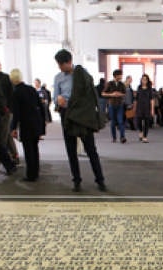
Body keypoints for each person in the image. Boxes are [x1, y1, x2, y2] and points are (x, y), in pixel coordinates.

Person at [53, 49, 107, 192]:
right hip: (67, 115)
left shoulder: (82, 74)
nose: (60, 67)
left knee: (91, 150)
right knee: (71, 151)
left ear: (69, 62)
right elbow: (55, 97)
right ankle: (76, 180)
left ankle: (100, 180)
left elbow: (89, 96)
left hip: (83, 116)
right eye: (58, 64)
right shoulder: (58, 78)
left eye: (61, 64)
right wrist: (58, 100)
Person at [9, 68, 46, 181]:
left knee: (28, 150)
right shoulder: (31, 89)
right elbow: (40, 106)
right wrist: (43, 123)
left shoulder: (16, 93)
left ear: (12, 80)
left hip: (26, 125)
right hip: (36, 123)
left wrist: (13, 128)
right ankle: (35, 172)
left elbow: (16, 113)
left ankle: (31, 175)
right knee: (35, 149)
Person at [103, 69, 127, 143]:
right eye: (120, 75)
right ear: (116, 76)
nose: (121, 77)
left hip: (120, 105)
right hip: (111, 105)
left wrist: (120, 94)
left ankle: (122, 137)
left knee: (121, 121)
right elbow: (103, 93)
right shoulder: (109, 83)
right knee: (113, 122)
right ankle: (114, 137)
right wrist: (112, 94)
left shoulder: (122, 84)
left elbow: (124, 93)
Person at [135, 74, 155, 143]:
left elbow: (152, 100)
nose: (144, 81)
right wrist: (135, 107)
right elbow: (136, 98)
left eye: (145, 79)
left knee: (146, 122)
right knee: (139, 121)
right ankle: (140, 131)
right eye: (143, 79)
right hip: (139, 107)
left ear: (147, 80)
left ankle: (145, 136)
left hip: (147, 107)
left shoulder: (150, 89)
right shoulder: (139, 87)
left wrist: (152, 109)